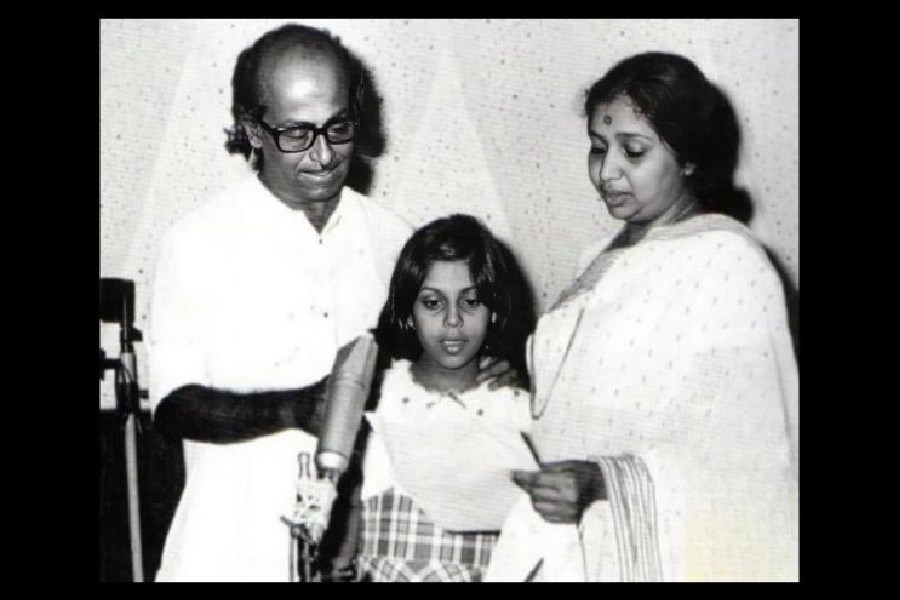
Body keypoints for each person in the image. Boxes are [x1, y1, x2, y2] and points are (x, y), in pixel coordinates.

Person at [147, 24, 513, 582]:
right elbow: (172, 406)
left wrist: (480, 374)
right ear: (252, 130)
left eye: (338, 128)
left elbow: (423, 375)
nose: (323, 155)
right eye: (296, 133)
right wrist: (292, 409)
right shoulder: (196, 242)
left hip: (371, 546)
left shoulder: (396, 239)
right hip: (231, 547)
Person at [489, 52, 798, 582]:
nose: (607, 171)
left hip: (644, 551)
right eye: (597, 147)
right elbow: (592, 402)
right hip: (565, 543)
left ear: (690, 160)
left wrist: (603, 480)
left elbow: (747, 460)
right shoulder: (596, 257)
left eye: (633, 151)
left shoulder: (730, 263)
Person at [353, 214, 537, 582]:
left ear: (495, 310)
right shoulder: (377, 399)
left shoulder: (516, 409)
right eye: (433, 303)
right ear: (407, 312)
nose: (453, 321)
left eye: (471, 302)